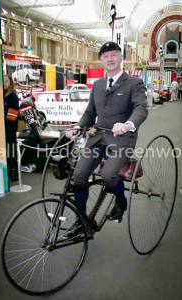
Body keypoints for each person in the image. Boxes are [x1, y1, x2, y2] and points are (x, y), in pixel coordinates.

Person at [66, 41, 148, 233]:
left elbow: (141, 108)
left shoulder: (134, 83)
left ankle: (120, 202)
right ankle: (81, 220)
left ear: (121, 57)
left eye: (113, 54)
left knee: (108, 174)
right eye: (105, 56)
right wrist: (78, 126)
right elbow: (89, 113)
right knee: (78, 176)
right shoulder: (98, 85)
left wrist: (128, 124)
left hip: (121, 138)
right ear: (101, 60)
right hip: (97, 136)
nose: (109, 59)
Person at [3, 75, 19, 181]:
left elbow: (13, 115)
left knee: (11, 150)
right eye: (3, 81)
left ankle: (14, 171)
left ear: (11, 83)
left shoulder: (12, 95)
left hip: (10, 128)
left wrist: (8, 127)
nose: (4, 83)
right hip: (2, 129)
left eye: (7, 81)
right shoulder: (1, 95)